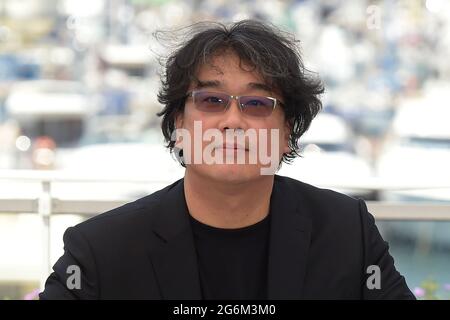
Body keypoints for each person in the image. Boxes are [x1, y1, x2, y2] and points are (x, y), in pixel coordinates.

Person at [39, 20, 415, 300]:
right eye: (211, 100)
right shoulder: (103, 250)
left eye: (256, 104)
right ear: (178, 124)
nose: (233, 121)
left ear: (287, 134)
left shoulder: (347, 233)